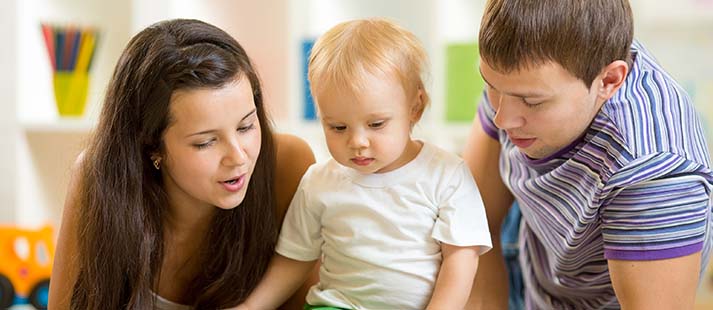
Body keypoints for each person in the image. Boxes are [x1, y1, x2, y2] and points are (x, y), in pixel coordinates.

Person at [48, 19, 318, 309]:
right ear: (152, 146)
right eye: (205, 142)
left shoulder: (288, 165)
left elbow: (312, 302)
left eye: (246, 127)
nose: (238, 156)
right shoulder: (99, 175)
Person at [464, 0, 713, 309]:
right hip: (533, 267)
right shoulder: (526, 73)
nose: (501, 119)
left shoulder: (652, 174)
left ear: (608, 81)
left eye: (531, 102)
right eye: (492, 86)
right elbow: (475, 223)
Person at [237, 18, 492, 310]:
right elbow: (295, 257)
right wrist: (249, 307)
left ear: (415, 108)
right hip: (336, 306)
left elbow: (461, 259)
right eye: (338, 127)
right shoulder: (319, 181)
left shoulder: (446, 174)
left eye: (375, 124)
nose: (358, 141)